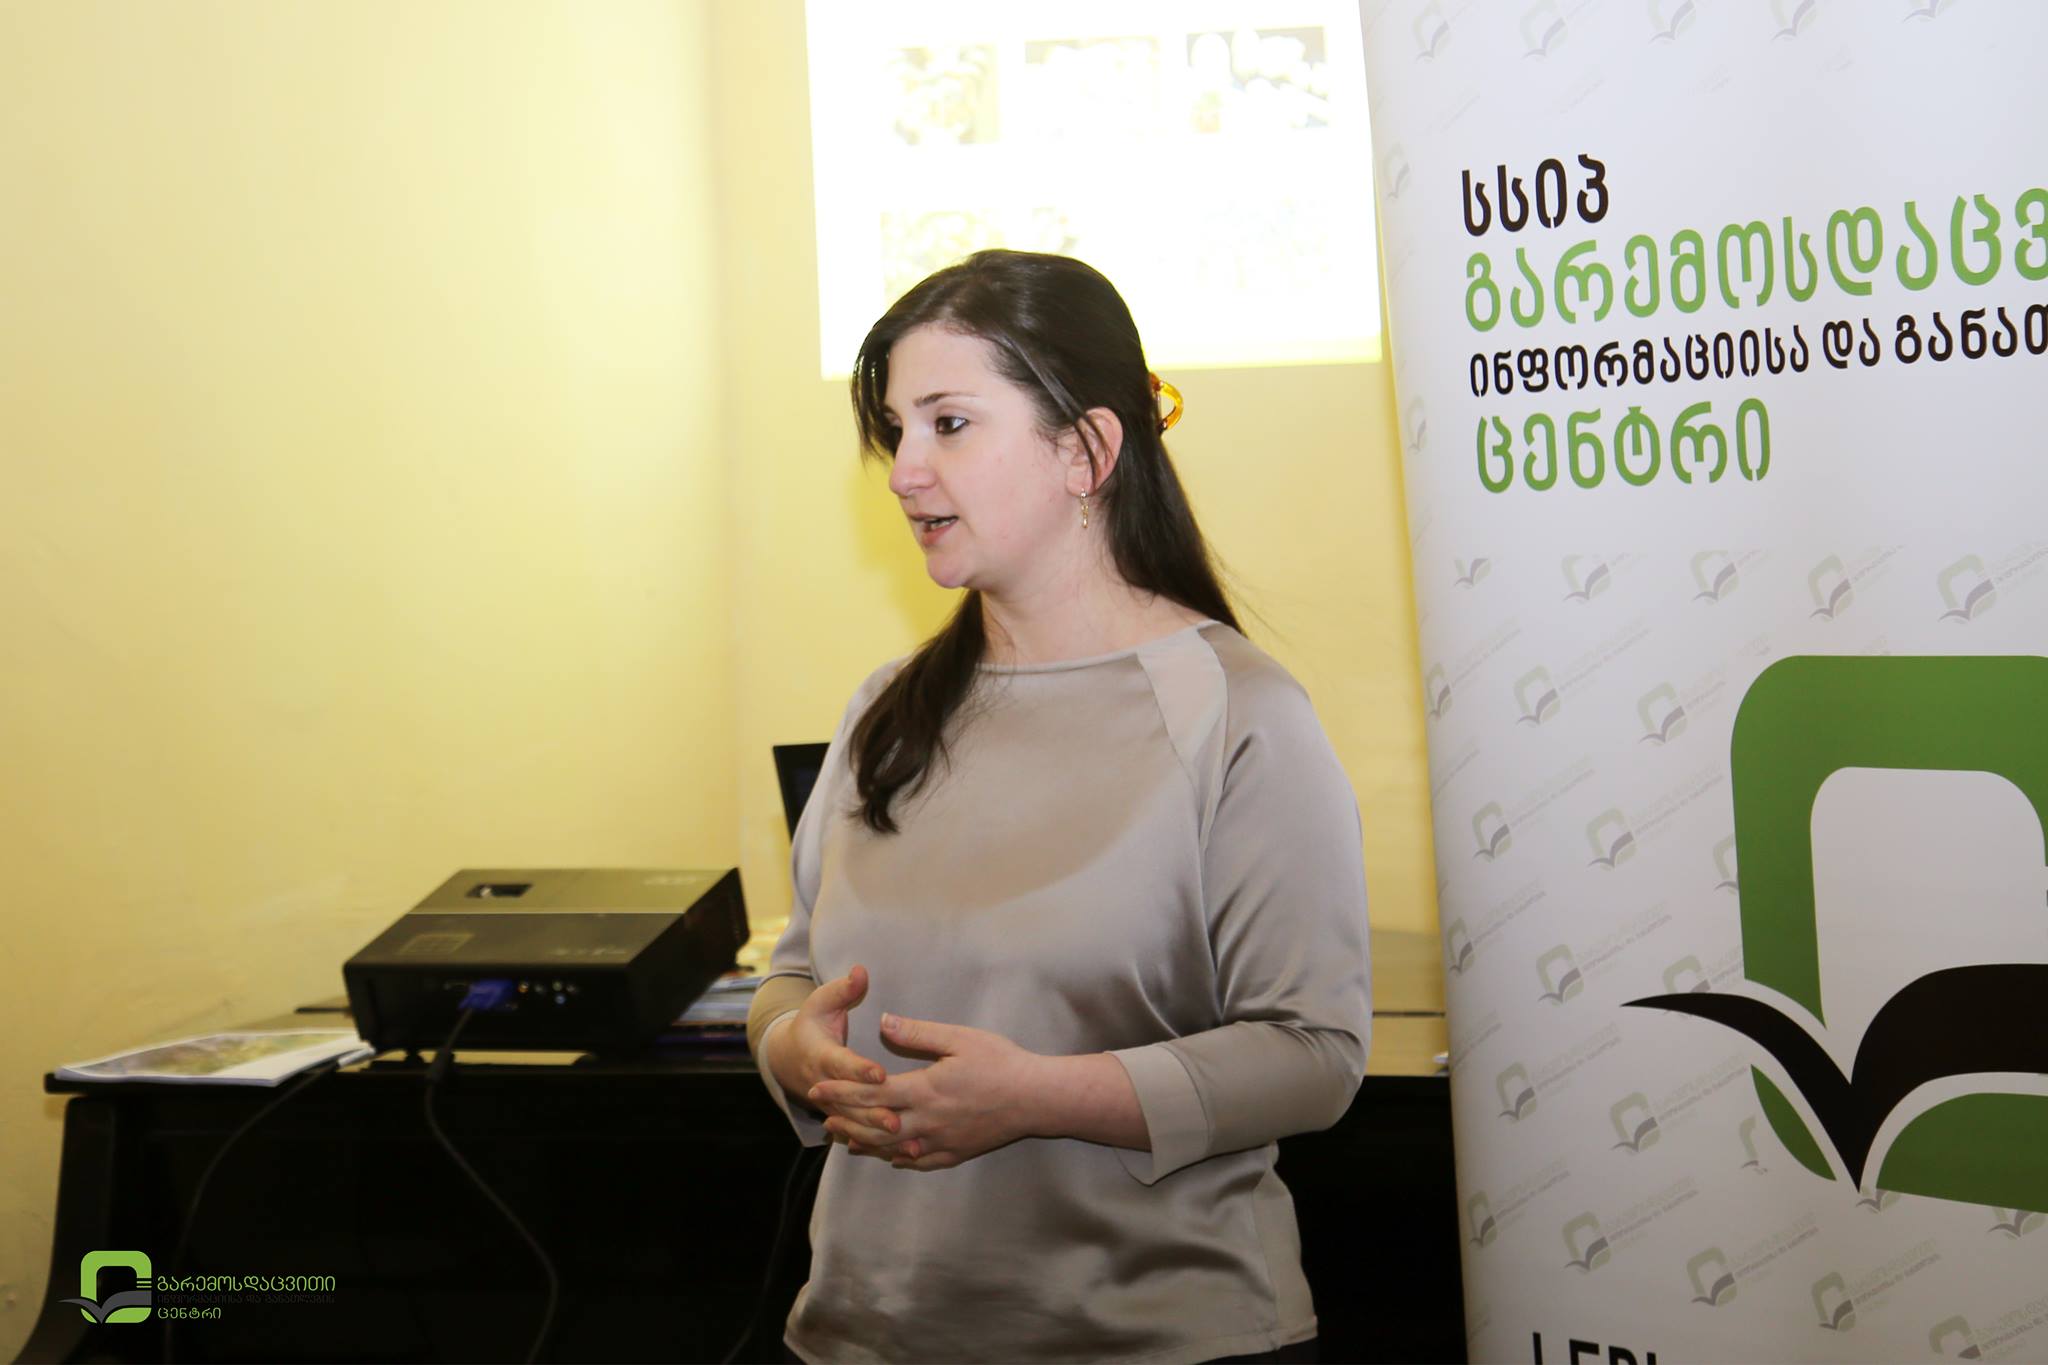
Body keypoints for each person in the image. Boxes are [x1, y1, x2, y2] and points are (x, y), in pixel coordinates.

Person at [745, 249, 1371, 1365]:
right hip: (858, 1336)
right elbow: (791, 975)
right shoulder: (884, 711)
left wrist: (1039, 1096)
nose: (903, 470)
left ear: (1085, 451)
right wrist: (794, 1047)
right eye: (896, 429)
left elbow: (1312, 1052)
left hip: (1160, 1341)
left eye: (949, 423)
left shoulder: (1238, 712)